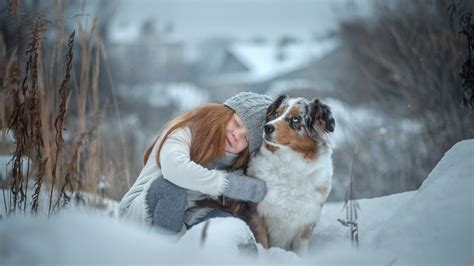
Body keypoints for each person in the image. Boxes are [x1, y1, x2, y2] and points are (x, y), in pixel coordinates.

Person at [119, 92, 273, 236]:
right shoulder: (186, 130)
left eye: (246, 138)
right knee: (171, 186)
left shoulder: (237, 166)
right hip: (141, 213)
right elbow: (174, 169)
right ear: (223, 114)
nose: (236, 134)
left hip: (186, 219)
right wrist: (230, 185)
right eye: (236, 123)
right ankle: (161, 254)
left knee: (228, 224)